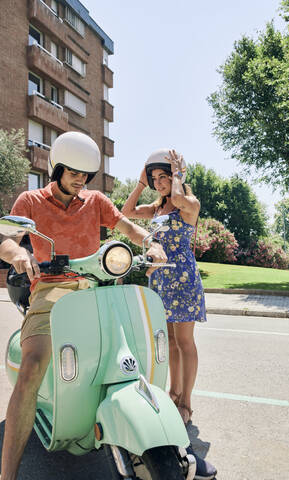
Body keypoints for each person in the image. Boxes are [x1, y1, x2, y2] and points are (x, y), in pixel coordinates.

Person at [0, 131, 167, 480]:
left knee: (136, 354)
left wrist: (151, 242)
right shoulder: (30, 201)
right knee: (32, 366)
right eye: (73, 172)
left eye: (86, 174)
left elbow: (128, 228)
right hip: (51, 291)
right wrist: (18, 253)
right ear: (56, 168)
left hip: (100, 288)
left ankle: (163, 441)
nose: (80, 180)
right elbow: (7, 240)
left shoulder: (96, 201)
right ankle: (8, 474)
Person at [122, 149, 207, 426]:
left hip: (183, 279)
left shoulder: (189, 204)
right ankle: (173, 393)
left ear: (176, 176)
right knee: (169, 342)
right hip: (159, 280)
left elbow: (180, 197)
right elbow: (126, 212)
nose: (159, 183)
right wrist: (140, 183)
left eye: (164, 176)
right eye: (154, 178)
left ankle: (186, 403)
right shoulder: (156, 208)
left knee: (185, 342)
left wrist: (179, 174)